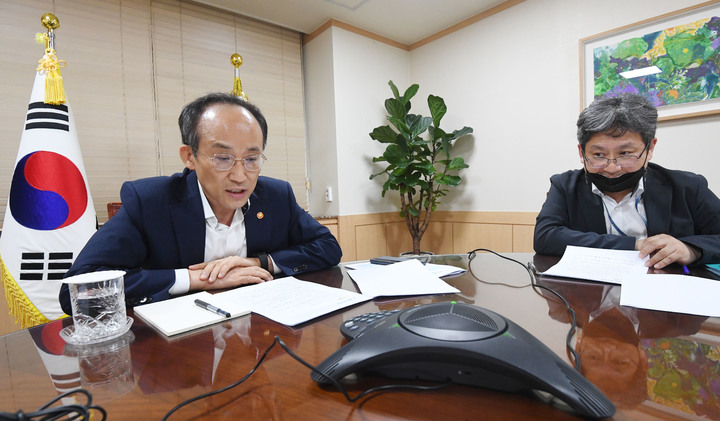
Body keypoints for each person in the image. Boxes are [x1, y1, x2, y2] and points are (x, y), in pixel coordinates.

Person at [59, 93, 342, 314]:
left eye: (252, 159)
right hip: (180, 353)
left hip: (262, 335)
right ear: (189, 157)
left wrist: (259, 263)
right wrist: (199, 279)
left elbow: (328, 247)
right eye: (222, 158)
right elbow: (80, 291)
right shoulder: (151, 202)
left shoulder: (275, 195)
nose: (241, 176)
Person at [534, 93, 720, 269]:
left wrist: (691, 250)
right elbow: (545, 237)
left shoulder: (687, 186)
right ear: (582, 153)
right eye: (598, 155)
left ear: (650, 149)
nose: (612, 167)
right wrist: (636, 245)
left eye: (625, 154)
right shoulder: (565, 186)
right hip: (591, 295)